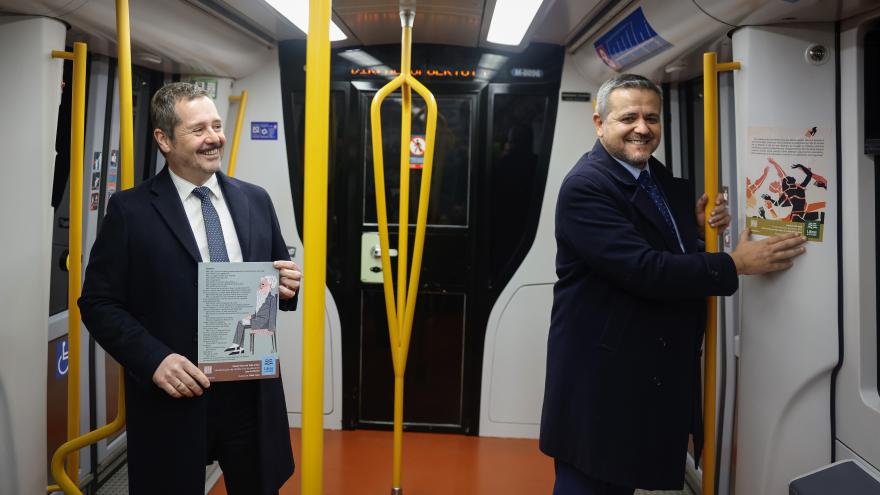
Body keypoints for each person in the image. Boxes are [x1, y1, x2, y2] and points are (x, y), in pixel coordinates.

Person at [539, 74, 807, 495]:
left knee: (616, 481)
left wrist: (697, 233)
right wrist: (733, 263)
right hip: (602, 379)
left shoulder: (651, 175)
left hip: (639, 368)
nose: (642, 128)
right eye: (628, 117)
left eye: (652, 118)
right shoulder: (586, 188)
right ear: (599, 123)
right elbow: (646, 269)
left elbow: (658, 240)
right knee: (588, 482)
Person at [79, 82, 301, 495]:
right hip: (175, 395)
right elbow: (97, 303)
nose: (214, 138)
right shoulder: (130, 211)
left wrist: (288, 286)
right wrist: (154, 359)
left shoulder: (256, 200)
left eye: (216, 126)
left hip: (250, 395)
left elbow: (274, 281)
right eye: (198, 130)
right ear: (163, 139)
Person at [225, 276, 278, 355]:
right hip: (258, 320)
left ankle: (236, 345)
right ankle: (240, 348)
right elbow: (259, 313)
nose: (260, 286)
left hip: (263, 323)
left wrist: (271, 329)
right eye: (260, 284)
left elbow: (273, 314)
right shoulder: (261, 298)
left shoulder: (272, 298)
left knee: (241, 323)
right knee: (242, 323)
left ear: (270, 286)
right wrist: (251, 316)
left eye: (263, 284)